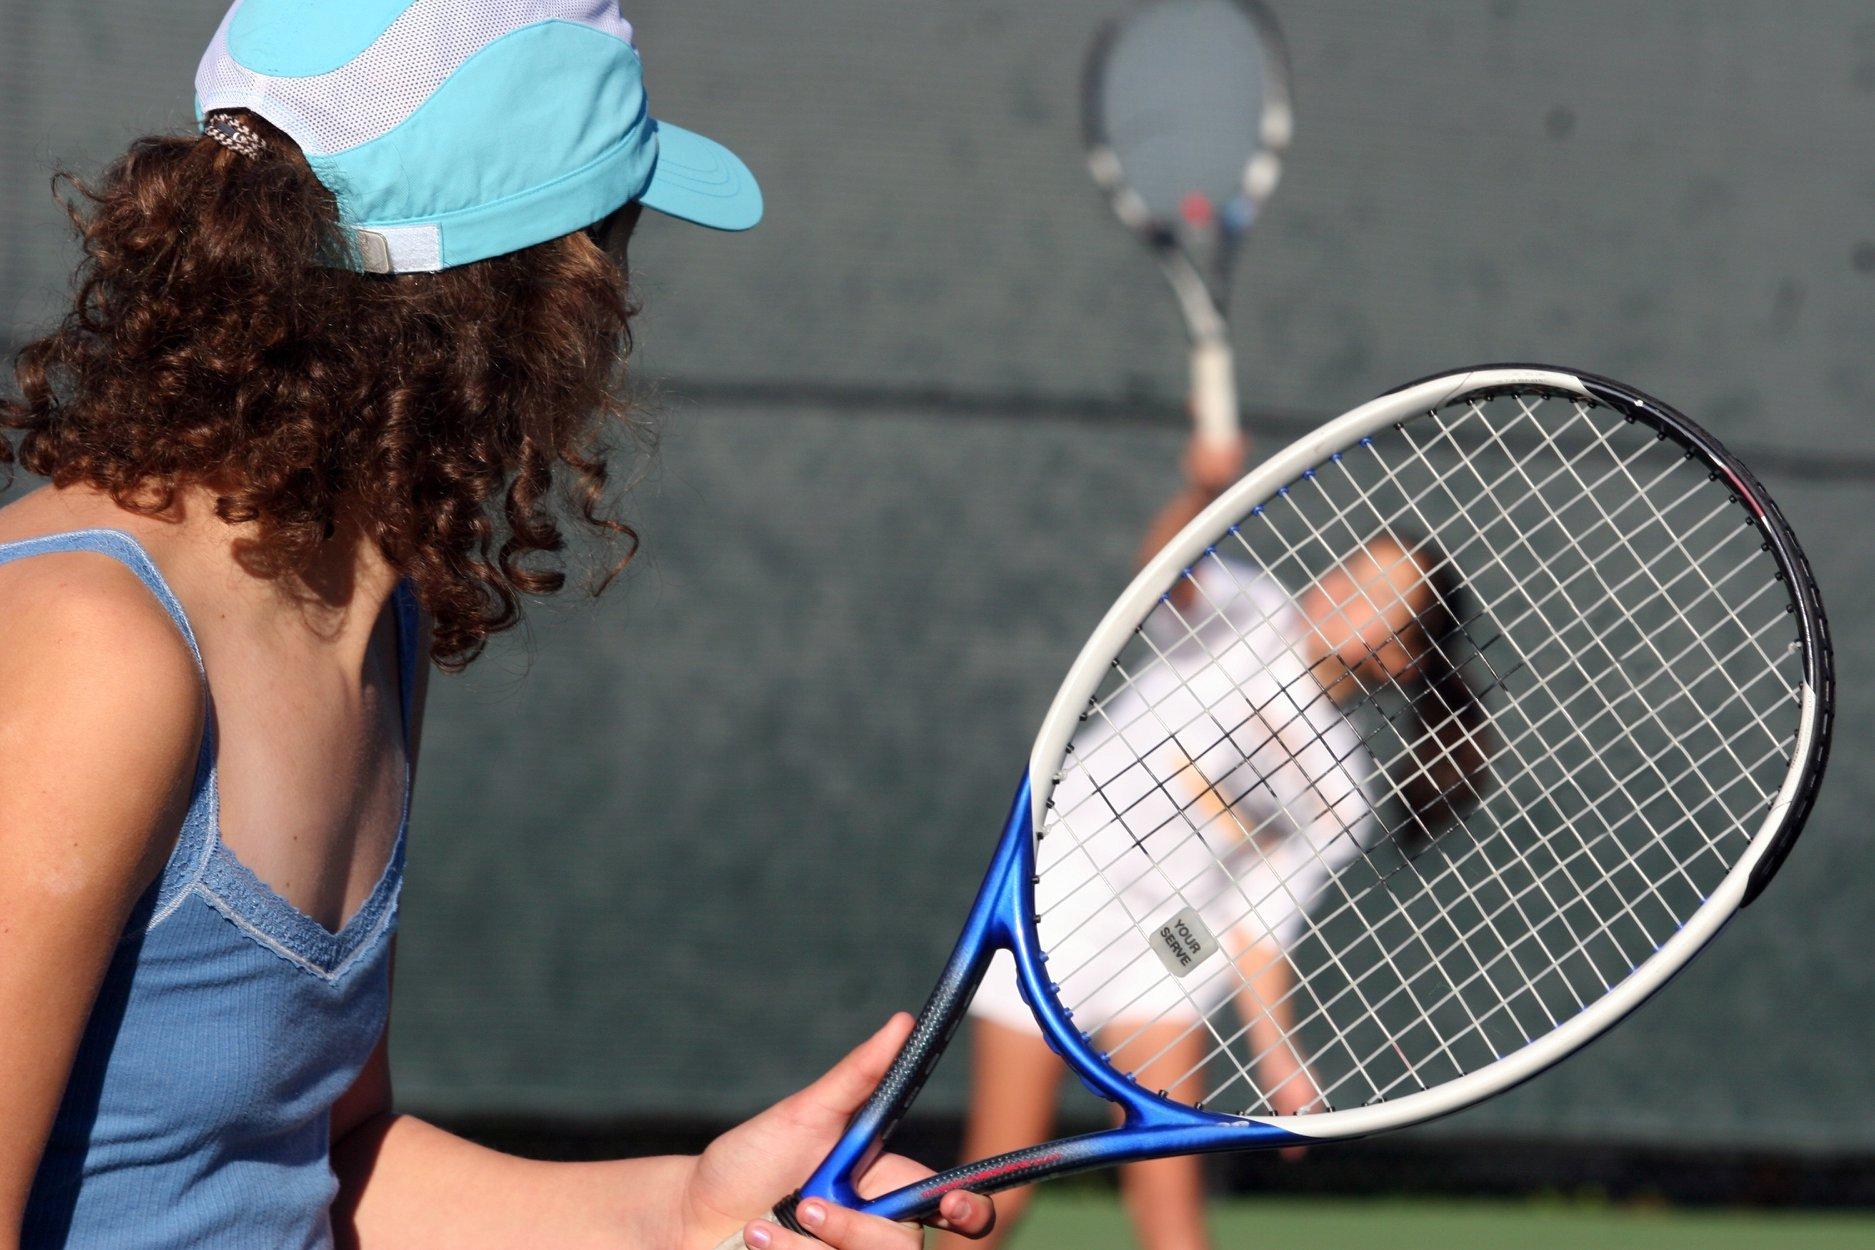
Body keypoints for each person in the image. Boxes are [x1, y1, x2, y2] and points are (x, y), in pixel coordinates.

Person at [0, 5, 993, 1249]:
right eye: (620, 239)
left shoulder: (375, 618)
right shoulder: (94, 647)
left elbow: (320, 1163)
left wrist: (682, 1212)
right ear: (545, 290)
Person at [942, 428, 1493, 1250]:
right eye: (1352, 569)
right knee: (998, 1190)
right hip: (1062, 887)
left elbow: (1255, 926)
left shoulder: (1341, 791)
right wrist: (1200, 493)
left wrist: (1282, 1065)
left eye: (1381, 596)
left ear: (1404, 658)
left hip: (1174, 932)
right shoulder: (1248, 612)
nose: (1346, 590)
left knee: (1172, 1219)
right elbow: (1166, 573)